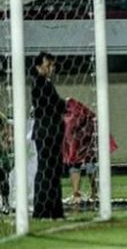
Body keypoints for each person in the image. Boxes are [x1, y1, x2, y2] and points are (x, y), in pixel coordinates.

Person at [63, 98, 118, 205]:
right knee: (89, 164)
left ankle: (77, 194)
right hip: (87, 143)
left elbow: (68, 135)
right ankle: (93, 193)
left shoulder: (70, 119)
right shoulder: (88, 116)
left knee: (76, 165)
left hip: (81, 142)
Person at [31, 52, 65, 219]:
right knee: (47, 170)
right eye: (48, 65)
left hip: (50, 132)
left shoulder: (45, 83)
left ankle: (54, 209)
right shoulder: (40, 83)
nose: (51, 68)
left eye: (52, 65)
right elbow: (53, 105)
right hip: (47, 132)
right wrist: (64, 104)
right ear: (38, 67)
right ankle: (43, 209)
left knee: (52, 171)